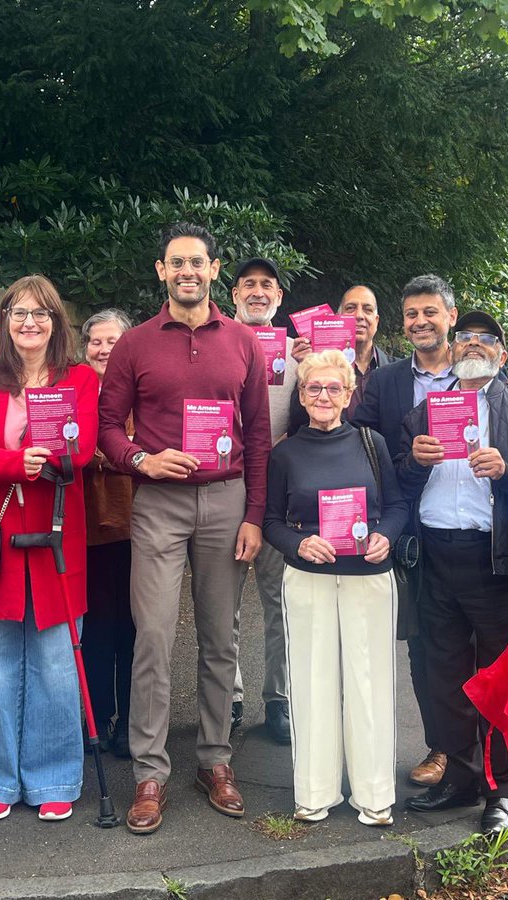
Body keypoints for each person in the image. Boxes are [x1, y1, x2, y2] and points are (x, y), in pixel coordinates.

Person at [98, 223, 272, 834]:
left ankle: (215, 760)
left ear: (214, 269)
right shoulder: (136, 344)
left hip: (226, 502)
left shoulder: (243, 342)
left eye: (198, 262)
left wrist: (254, 514)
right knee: (152, 637)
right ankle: (150, 772)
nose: (188, 272)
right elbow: (107, 425)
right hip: (159, 503)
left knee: (220, 638)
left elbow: (257, 435)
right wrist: (141, 459)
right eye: (177, 263)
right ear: (161, 270)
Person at [0, 275, 99, 823]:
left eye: (41, 314)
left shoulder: (79, 379)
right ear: (4, 321)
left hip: (56, 538)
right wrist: (15, 461)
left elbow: (85, 446)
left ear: (56, 323)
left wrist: (55, 457)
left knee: (56, 665)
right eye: (18, 313)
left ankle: (54, 777)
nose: (29, 323)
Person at [395, 311, 508, 835]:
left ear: (502, 356)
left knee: (501, 680)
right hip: (436, 558)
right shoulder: (425, 411)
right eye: (465, 338)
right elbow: (397, 485)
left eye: (487, 340)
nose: (473, 345)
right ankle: (460, 777)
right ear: (453, 350)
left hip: (497, 562)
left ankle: (502, 790)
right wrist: (414, 463)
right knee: (445, 676)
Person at [264, 350, 409, 826]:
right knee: (311, 682)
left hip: (368, 578)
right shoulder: (284, 453)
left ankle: (374, 794)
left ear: (349, 394)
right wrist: (298, 542)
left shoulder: (372, 443)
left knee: (370, 684)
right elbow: (270, 521)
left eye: (333, 388)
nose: (323, 396)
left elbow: (396, 505)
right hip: (309, 580)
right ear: (301, 395)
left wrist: (387, 535)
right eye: (313, 388)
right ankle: (314, 791)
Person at [351, 274, 460, 790]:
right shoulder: (388, 381)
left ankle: (489, 756)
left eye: (430, 312)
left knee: (483, 646)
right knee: (424, 647)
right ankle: (441, 747)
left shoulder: (477, 374)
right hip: (415, 535)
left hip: (476, 533)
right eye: (412, 314)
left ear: (450, 318)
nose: (420, 322)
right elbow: (361, 443)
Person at [229, 256, 295, 744]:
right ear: (233, 294)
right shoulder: (212, 342)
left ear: (278, 297)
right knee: (222, 602)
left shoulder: (300, 354)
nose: (257, 291)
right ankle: (227, 697)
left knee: (280, 603)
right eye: (248, 284)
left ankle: (279, 700)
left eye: (266, 285)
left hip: (280, 497)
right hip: (227, 488)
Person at [80, 308, 137, 759]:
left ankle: (132, 724)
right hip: (88, 527)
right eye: (95, 342)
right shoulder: (76, 391)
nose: (103, 350)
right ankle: (97, 719)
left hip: (138, 524)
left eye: (112, 341)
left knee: (136, 630)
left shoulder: (141, 390)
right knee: (97, 628)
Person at [289, 284, 392, 429]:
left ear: (376, 320)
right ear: (338, 318)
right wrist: (306, 370)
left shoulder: (395, 372)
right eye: (350, 308)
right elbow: (297, 424)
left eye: (367, 309)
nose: (359, 316)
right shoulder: (318, 367)